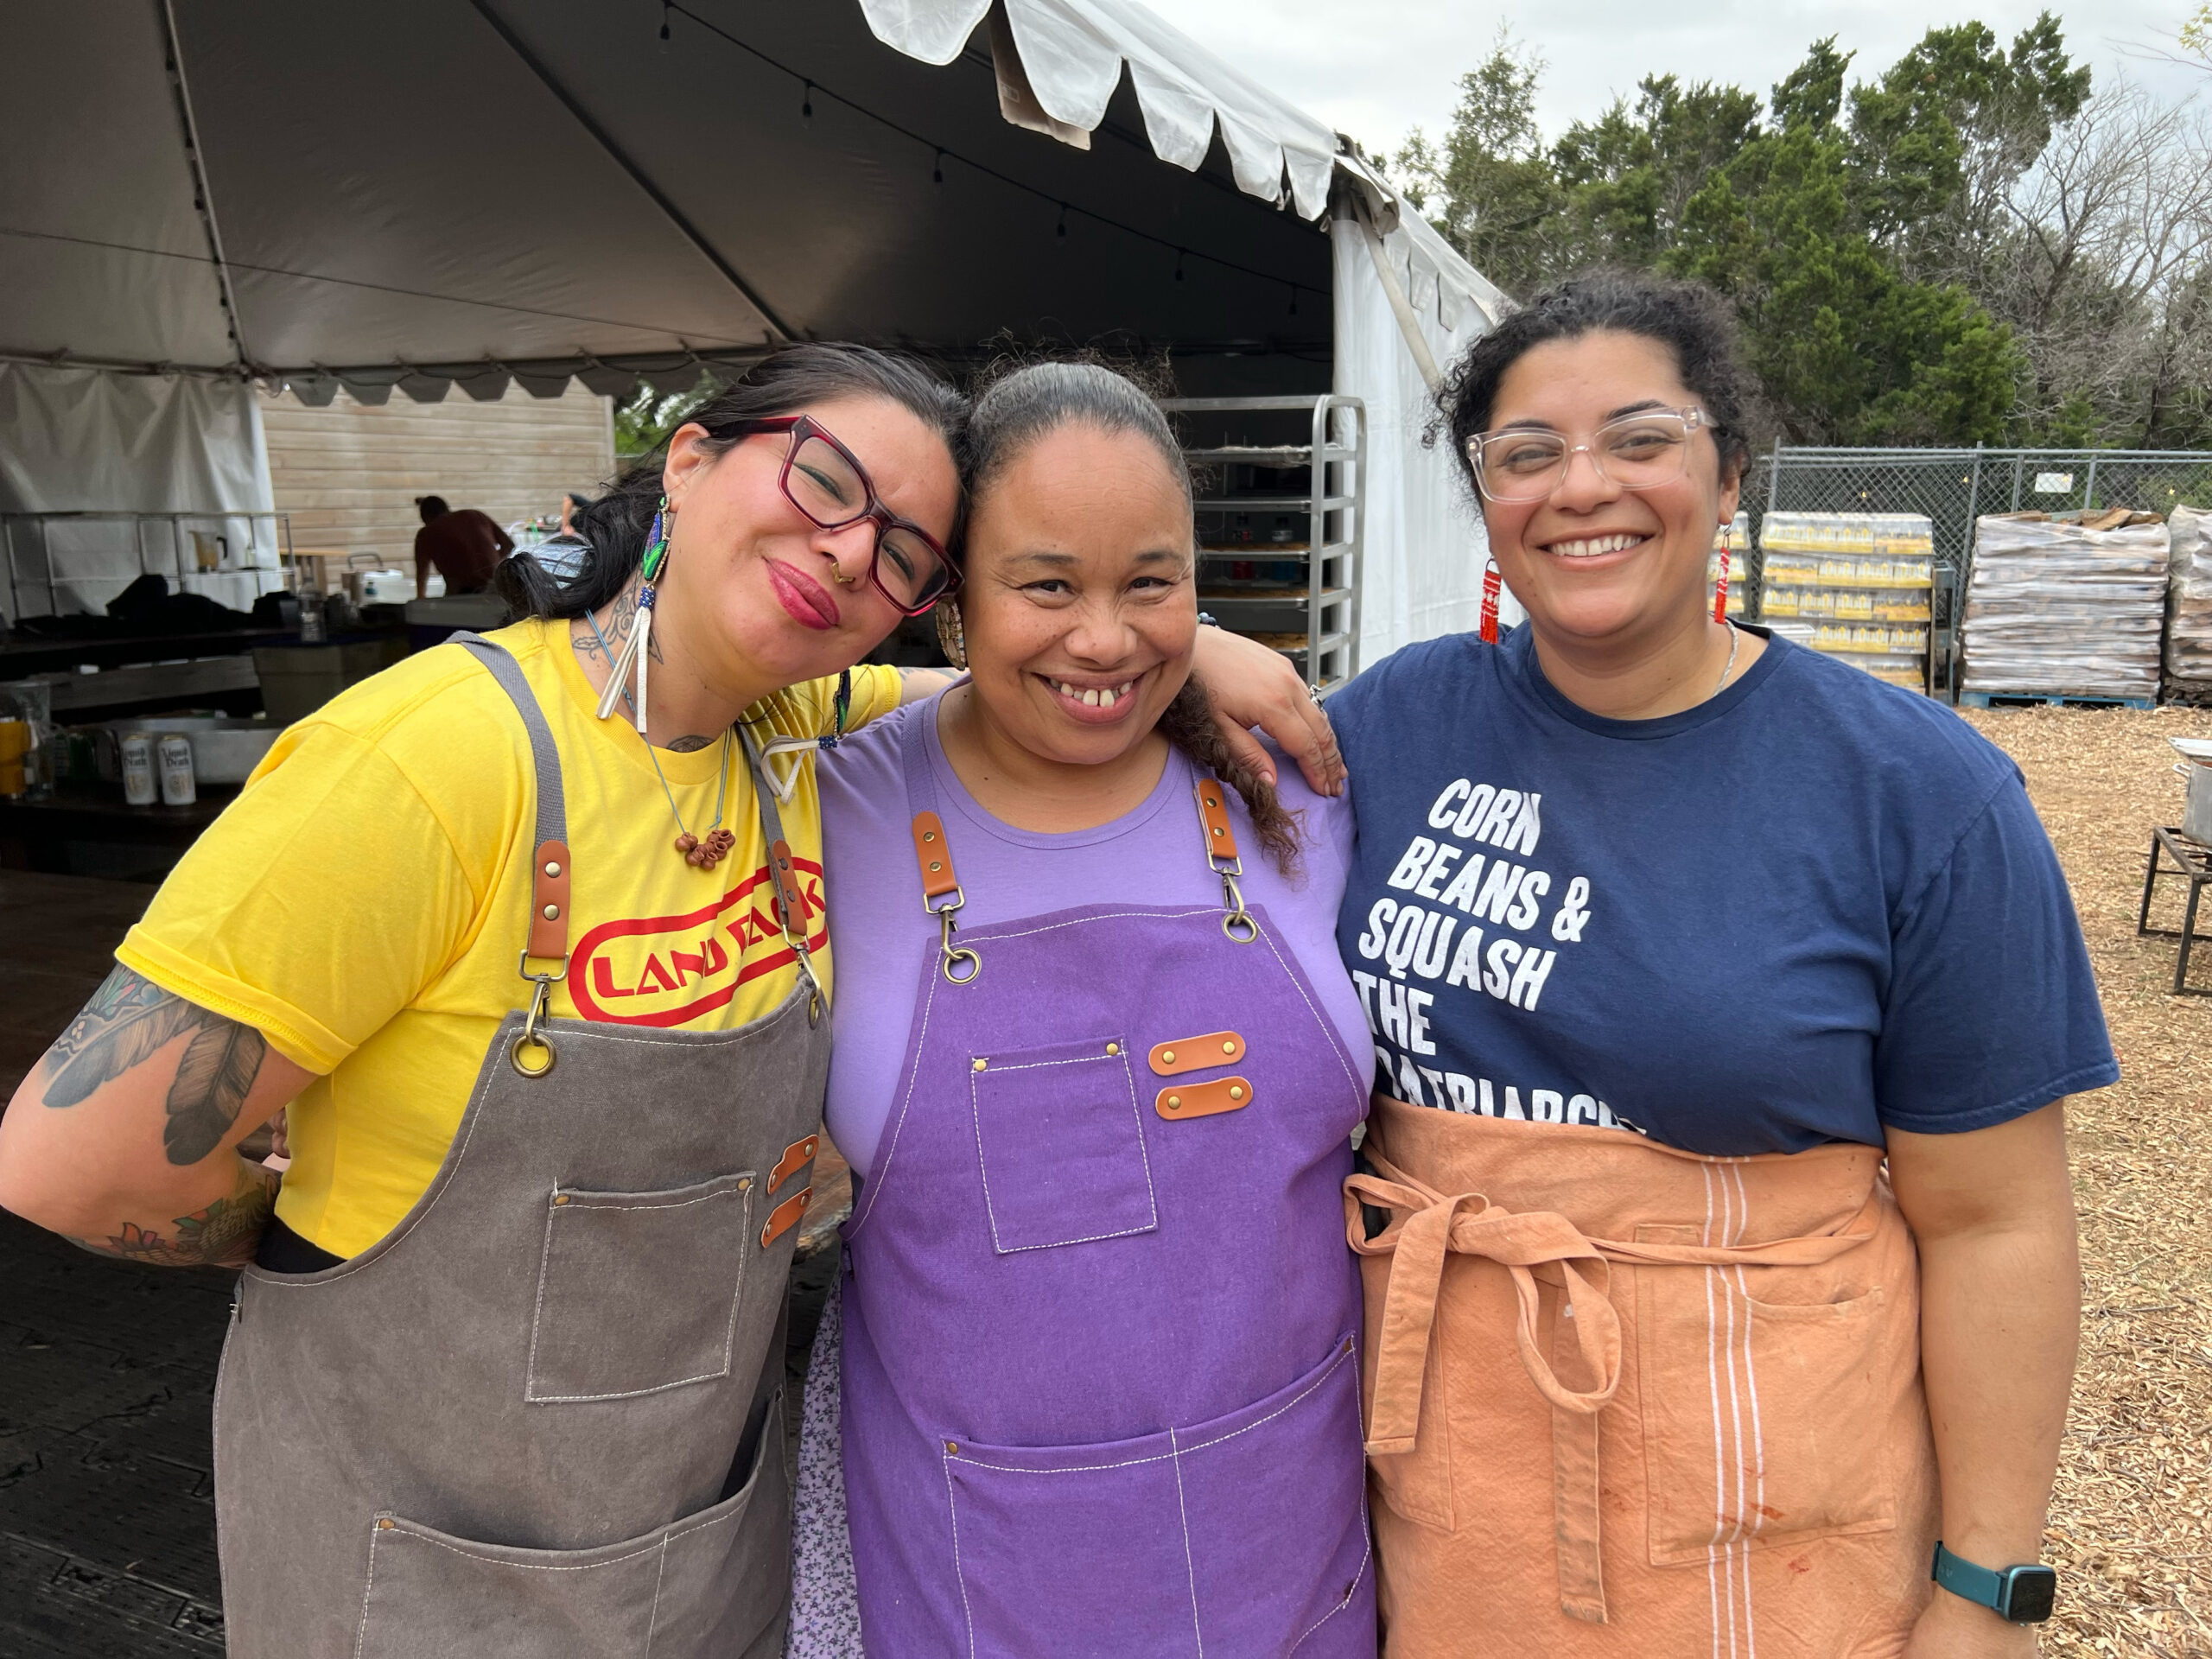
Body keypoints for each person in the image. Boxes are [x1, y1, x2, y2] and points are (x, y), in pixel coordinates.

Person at [0, 343, 1334, 1659]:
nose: (846, 553)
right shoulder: (433, 760)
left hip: (701, 1549)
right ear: (689, 460)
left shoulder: (792, 733)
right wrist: (307, 1251)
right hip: (418, 1567)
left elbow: (1023, 673)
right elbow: (72, 1161)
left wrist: (1190, 645)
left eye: (903, 553)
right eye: (824, 481)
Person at [1328, 273, 2109, 1657]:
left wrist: (1988, 1594)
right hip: (1447, 1506)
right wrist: (1202, 662)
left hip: (1770, 1517)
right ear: (1488, 498)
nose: (1583, 486)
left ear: (1731, 472)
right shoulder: (1390, 726)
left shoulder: (1917, 796)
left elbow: (1995, 1226)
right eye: (1527, 452)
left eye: (1641, 439)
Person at [788, 363, 1376, 1656]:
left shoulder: (1294, 791)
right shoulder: (829, 809)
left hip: (1292, 1542)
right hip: (979, 1574)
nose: (1103, 641)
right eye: (1047, 586)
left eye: (1149, 584)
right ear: (953, 592)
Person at [413, 492, 513, 595]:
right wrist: (493, 565)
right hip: (497, 586)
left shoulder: (426, 534)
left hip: (462, 592)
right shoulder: (475, 515)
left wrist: (420, 598)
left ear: (425, 517)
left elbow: (421, 575)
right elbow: (509, 545)